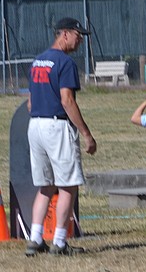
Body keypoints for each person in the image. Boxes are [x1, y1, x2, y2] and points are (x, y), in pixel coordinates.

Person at [25, 17, 97, 256]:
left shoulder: (38, 61)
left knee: (46, 186)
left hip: (35, 125)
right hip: (56, 126)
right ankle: (59, 242)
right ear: (64, 34)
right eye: (78, 36)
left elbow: (30, 103)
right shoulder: (65, 63)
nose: (80, 41)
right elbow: (67, 101)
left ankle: (35, 239)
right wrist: (86, 134)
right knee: (68, 186)